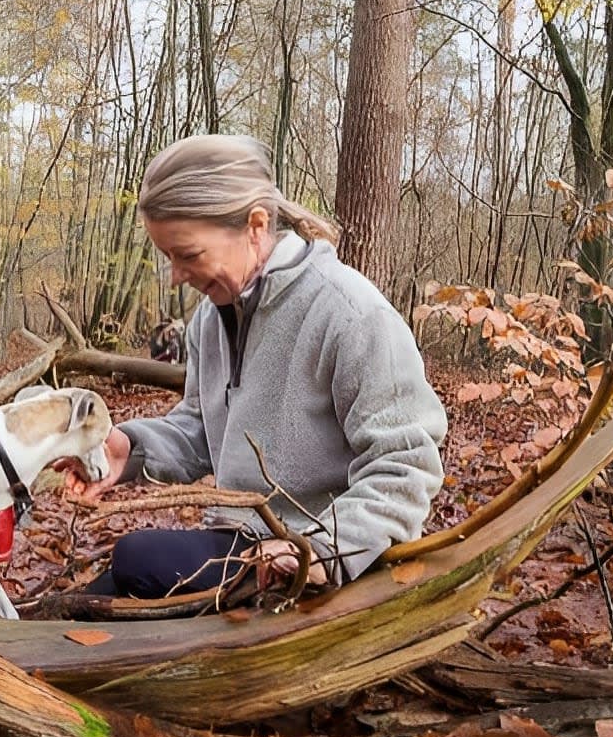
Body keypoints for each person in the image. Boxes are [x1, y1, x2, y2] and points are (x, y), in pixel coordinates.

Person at [65, 134, 447, 597]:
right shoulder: (211, 318)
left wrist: (317, 549)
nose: (177, 277)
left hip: (320, 559)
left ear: (255, 225)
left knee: (136, 557)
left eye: (188, 255)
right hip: (240, 543)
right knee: (91, 601)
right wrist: (129, 450)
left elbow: (406, 465)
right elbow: (202, 431)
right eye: (168, 258)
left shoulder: (350, 313)